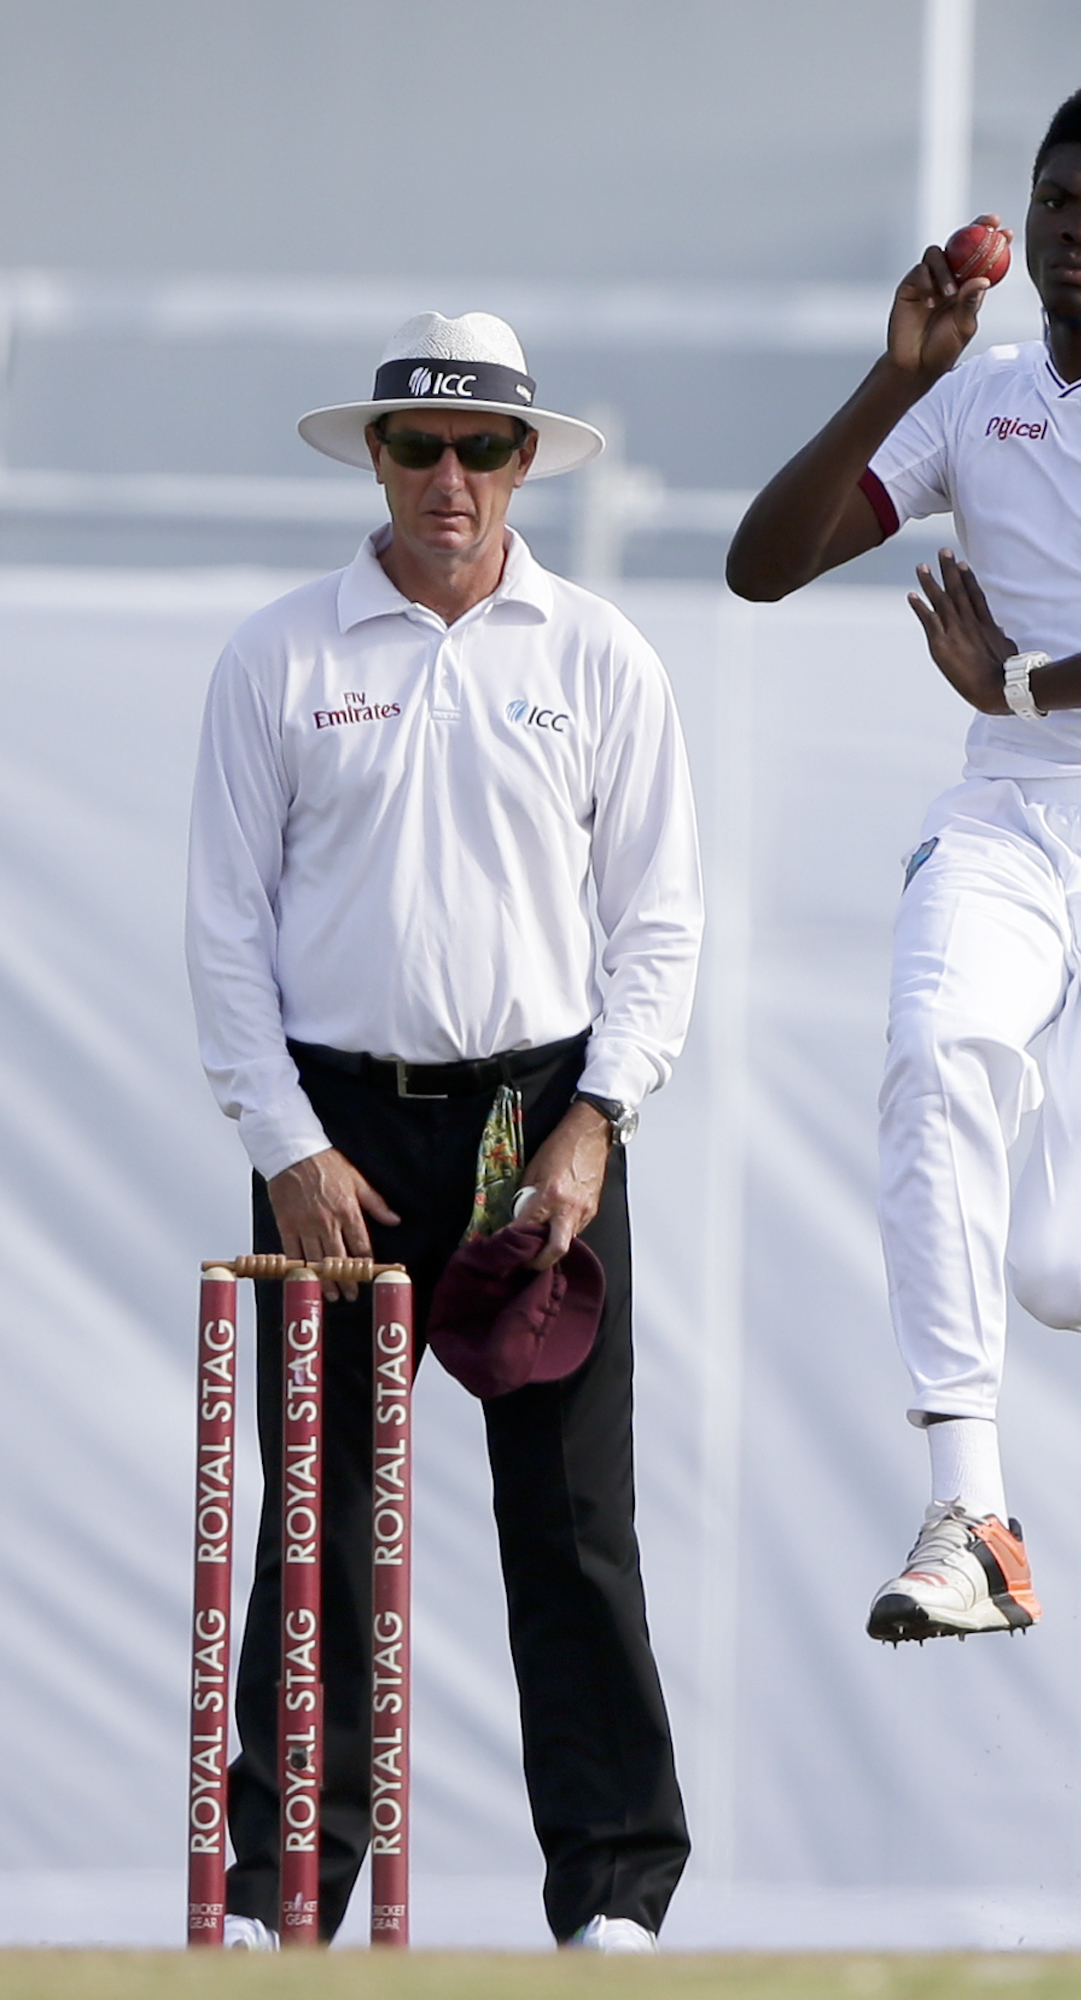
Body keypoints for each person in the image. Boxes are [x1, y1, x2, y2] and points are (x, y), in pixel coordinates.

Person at [726, 82, 1081, 1644]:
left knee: (1067, 1277)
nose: (1080, 233)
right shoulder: (969, 391)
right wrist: (886, 376)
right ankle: (967, 1515)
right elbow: (760, 567)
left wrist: (1034, 682)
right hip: (1006, 803)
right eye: (1061, 203)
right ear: (1025, 213)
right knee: (933, 1050)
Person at [186, 312, 701, 1950]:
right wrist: (282, 1140)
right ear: (379, 461)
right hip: (333, 1132)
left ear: (526, 460)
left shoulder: (597, 654)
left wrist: (598, 1120)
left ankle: (612, 1901)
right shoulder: (281, 654)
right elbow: (222, 930)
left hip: (536, 1126)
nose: (453, 478)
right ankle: (282, 1897)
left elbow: (659, 924)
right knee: (316, 1509)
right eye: (421, 448)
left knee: (569, 1517)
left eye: (485, 447)